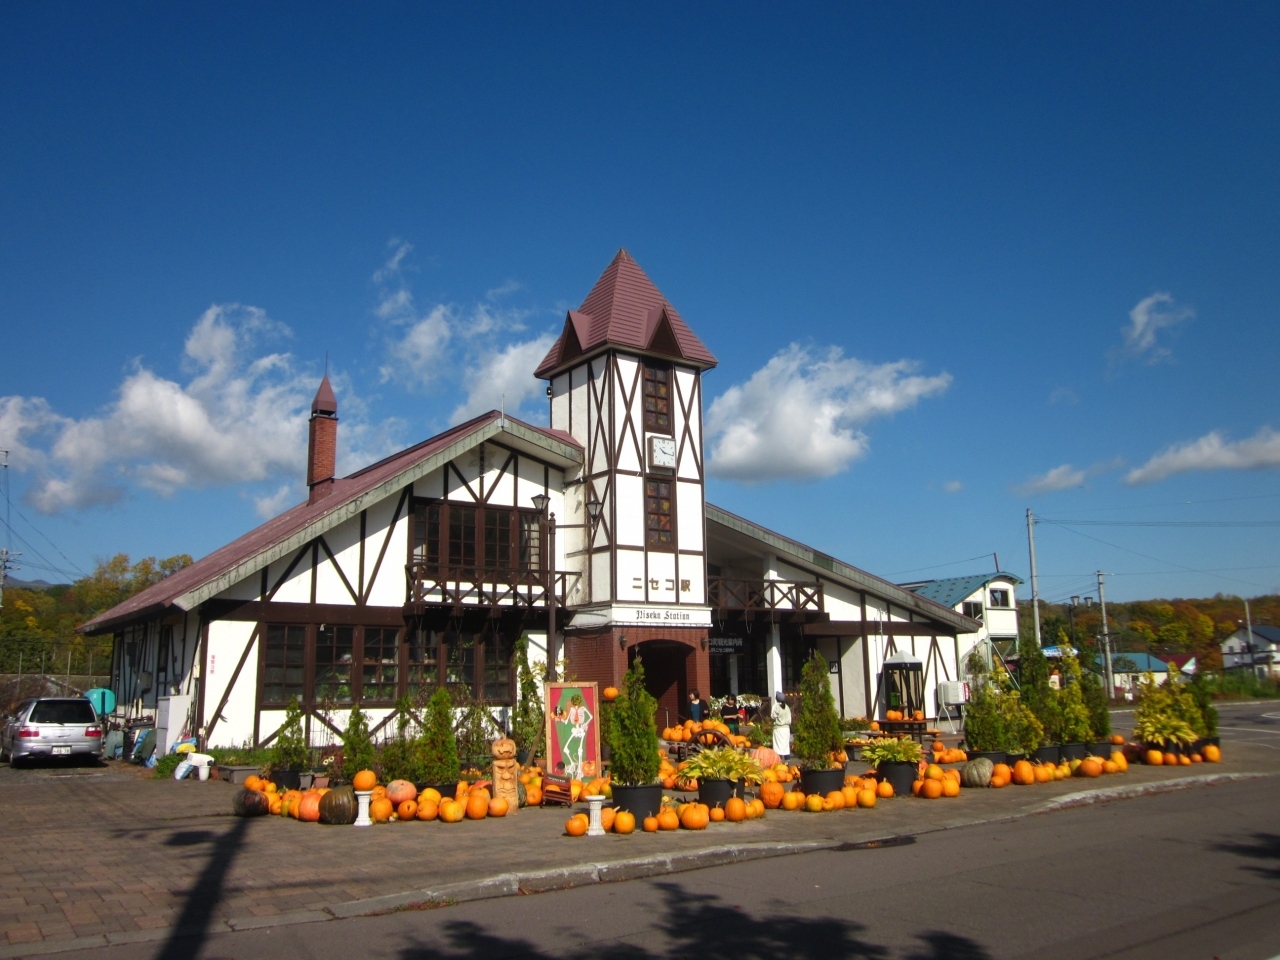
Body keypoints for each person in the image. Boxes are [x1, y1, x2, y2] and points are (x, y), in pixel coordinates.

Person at [771, 691, 791, 760]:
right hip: (786, 729)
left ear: (776, 698)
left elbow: (773, 716)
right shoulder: (787, 707)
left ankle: (778, 763)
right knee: (786, 747)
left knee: (778, 748)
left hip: (779, 729)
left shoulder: (776, 706)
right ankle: (787, 762)